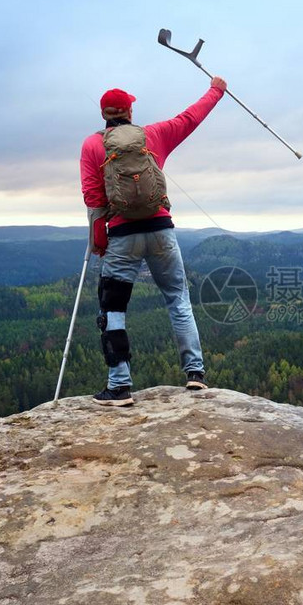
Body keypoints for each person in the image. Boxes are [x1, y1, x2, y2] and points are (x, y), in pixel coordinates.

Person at [80, 77, 227, 405]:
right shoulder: (154, 135)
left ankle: (119, 386)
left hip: (121, 236)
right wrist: (216, 89)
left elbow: (93, 199)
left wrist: (97, 242)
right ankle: (195, 374)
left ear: (104, 114)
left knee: (113, 309)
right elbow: (190, 118)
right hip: (161, 229)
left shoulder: (93, 145)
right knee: (178, 299)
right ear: (130, 110)